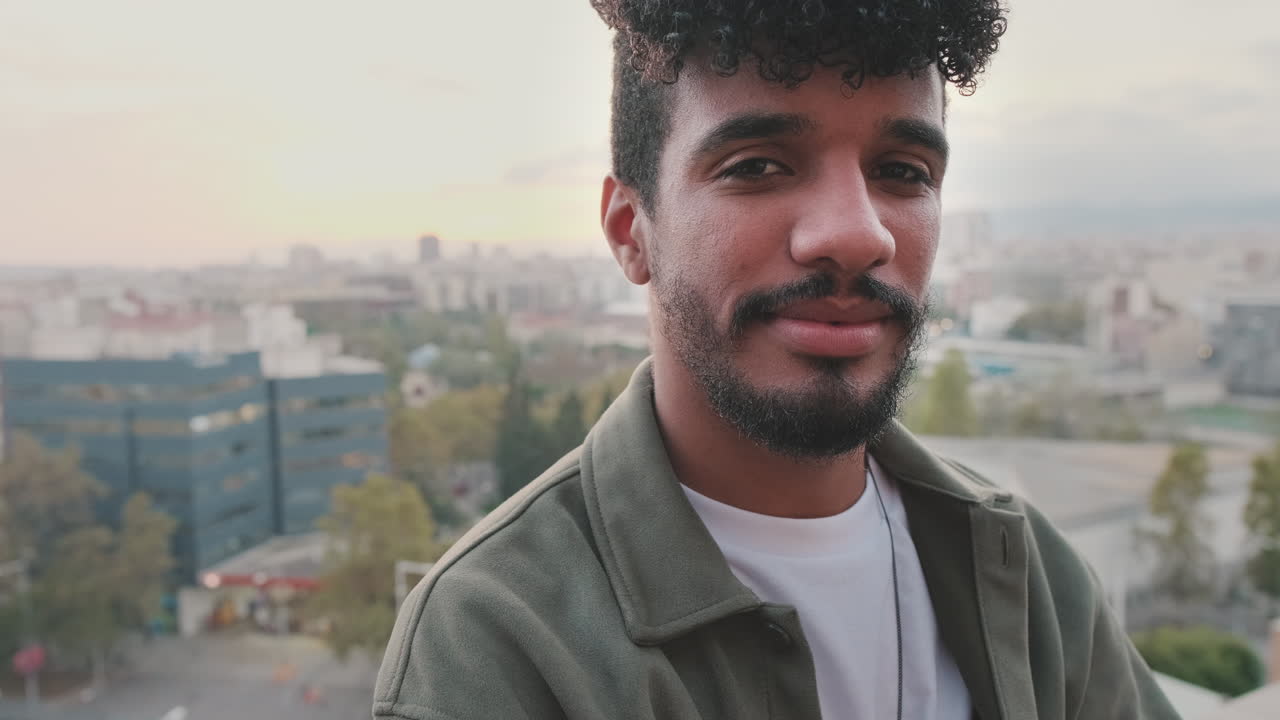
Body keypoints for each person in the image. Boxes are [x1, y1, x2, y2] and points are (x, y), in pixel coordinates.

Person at [375, 2, 1179, 718]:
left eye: (902, 172)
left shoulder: (1025, 574)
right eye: (757, 165)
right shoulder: (501, 639)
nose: (858, 234)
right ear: (630, 230)